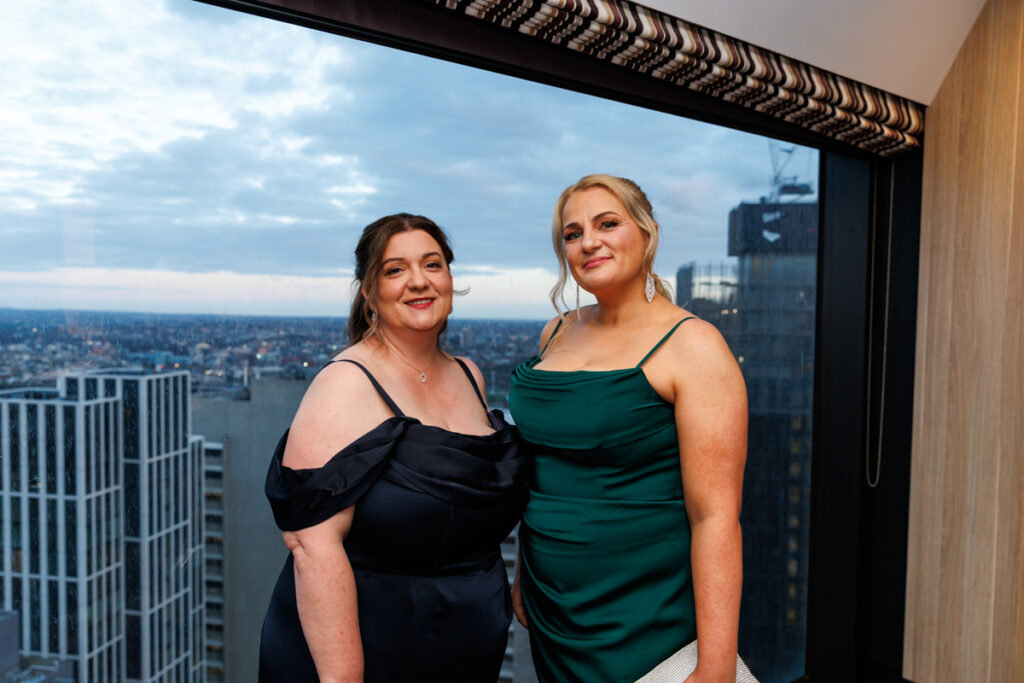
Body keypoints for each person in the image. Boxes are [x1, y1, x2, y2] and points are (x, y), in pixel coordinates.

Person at [259, 213, 530, 683]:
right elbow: (311, 544)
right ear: (369, 292)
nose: (419, 281)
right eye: (395, 269)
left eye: (432, 264)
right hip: (370, 651)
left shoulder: (469, 375)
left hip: (466, 647)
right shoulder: (346, 383)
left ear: (449, 279)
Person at [509, 174, 748, 683]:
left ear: (648, 233)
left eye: (607, 224)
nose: (588, 242)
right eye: (573, 234)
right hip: (554, 609)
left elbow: (715, 517)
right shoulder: (556, 331)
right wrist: (523, 572)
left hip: (645, 612)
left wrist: (717, 666)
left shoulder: (693, 345)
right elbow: (544, 469)